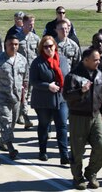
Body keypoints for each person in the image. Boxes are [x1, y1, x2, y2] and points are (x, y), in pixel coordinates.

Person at [63, 48, 102, 190]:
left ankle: (91, 173)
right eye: (95, 59)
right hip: (78, 117)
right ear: (85, 60)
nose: (98, 62)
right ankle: (77, 177)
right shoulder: (72, 76)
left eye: (99, 59)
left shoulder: (99, 74)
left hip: (95, 116)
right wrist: (80, 91)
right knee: (77, 151)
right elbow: (67, 96)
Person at [30, 35, 70, 164]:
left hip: (61, 99)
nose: (48, 49)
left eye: (50, 46)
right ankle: (42, 151)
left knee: (62, 126)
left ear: (55, 46)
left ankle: (64, 155)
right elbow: (33, 81)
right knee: (44, 125)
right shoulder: (37, 62)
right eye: (45, 47)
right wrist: (48, 86)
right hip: (44, 100)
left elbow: (67, 77)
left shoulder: (62, 60)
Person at [16, 14, 40, 128]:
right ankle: (25, 117)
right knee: (22, 94)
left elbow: (39, 55)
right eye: (29, 24)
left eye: (33, 24)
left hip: (32, 71)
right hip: (20, 72)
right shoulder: (16, 38)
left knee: (28, 94)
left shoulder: (36, 38)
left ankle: (20, 113)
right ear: (23, 24)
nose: (31, 26)